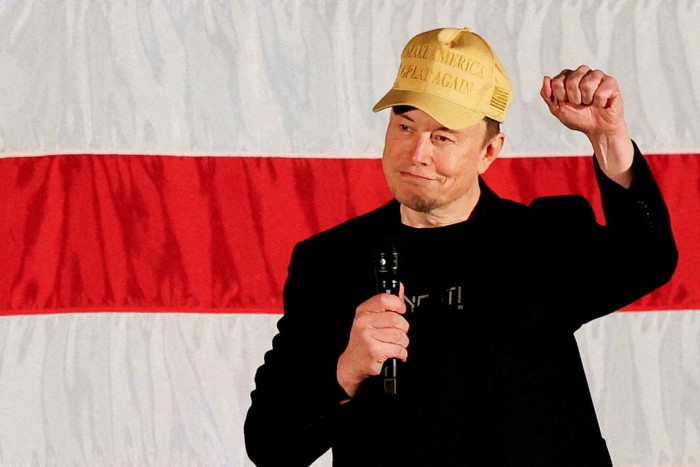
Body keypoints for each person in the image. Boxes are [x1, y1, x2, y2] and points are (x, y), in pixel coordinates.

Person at [244, 27, 677, 466]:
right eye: (405, 125)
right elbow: (270, 445)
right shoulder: (330, 261)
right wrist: (347, 371)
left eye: (443, 136)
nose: (416, 154)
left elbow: (648, 259)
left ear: (490, 151)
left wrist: (608, 136)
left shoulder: (542, 239)